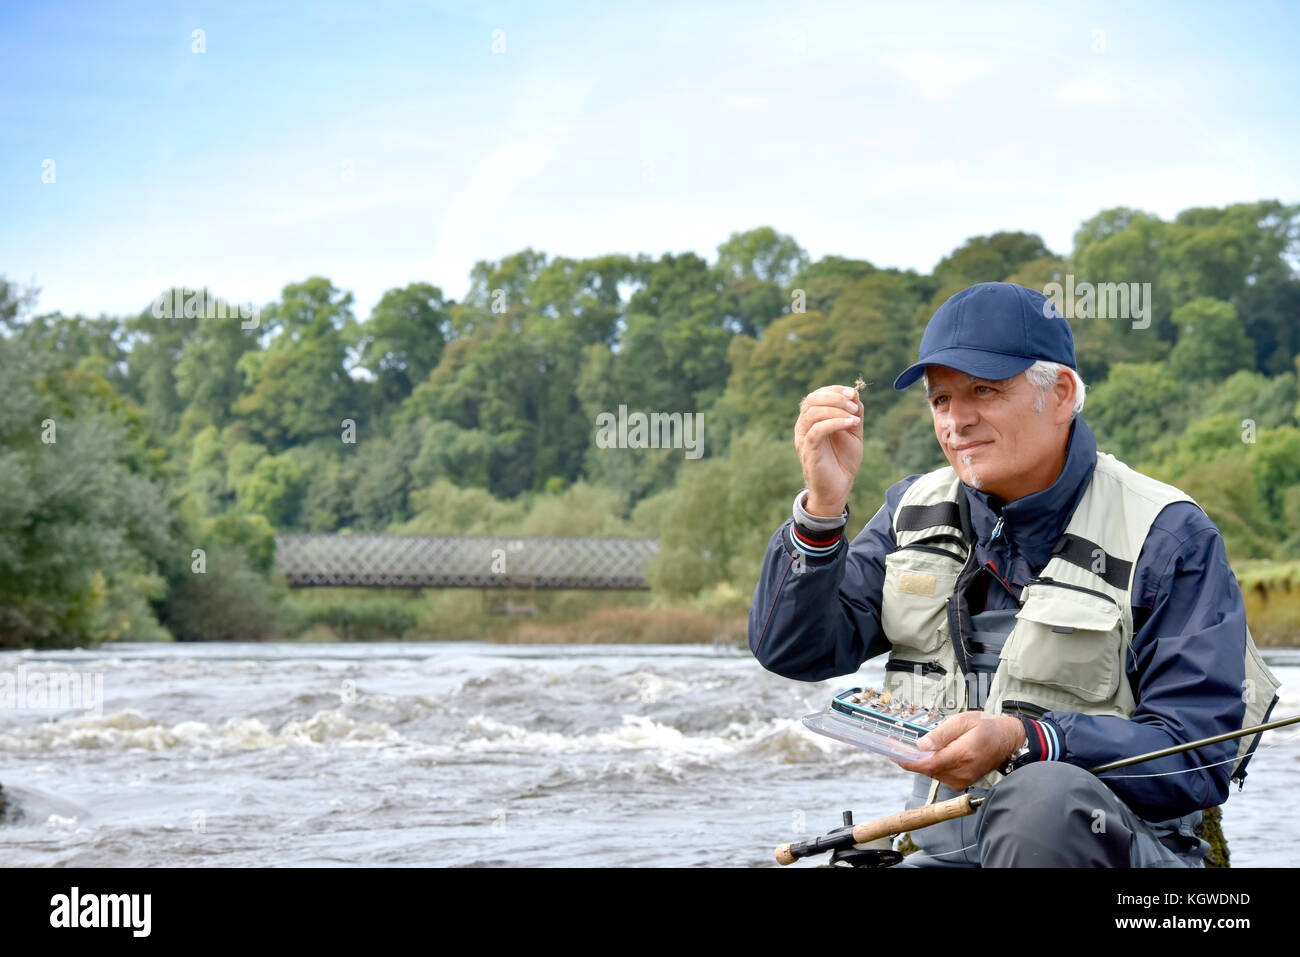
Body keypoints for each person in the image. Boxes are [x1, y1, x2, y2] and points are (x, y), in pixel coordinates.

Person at [749, 281, 1279, 867]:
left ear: (1061, 395)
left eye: (985, 390)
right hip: (947, 855)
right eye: (941, 399)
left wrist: (1032, 741)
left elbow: (1199, 758)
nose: (957, 420)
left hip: (1129, 855)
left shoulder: (1169, 535)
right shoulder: (910, 511)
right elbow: (794, 650)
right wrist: (822, 511)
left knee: (1041, 802)